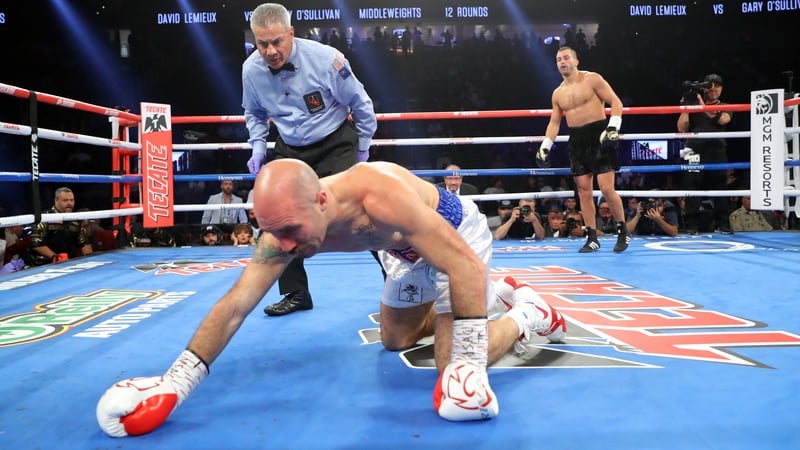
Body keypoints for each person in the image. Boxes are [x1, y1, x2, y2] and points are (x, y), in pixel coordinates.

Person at [96, 159, 567, 436]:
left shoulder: (379, 196)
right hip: (401, 251)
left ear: (321, 202)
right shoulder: (283, 227)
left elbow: (460, 262)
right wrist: (174, 384)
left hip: (456, 236)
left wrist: (465, 362)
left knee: (452, 375)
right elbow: (236, 304)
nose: (282, 245)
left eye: (290, 232)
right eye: (271, 232)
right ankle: (495, 295)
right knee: (396, 340)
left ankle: (529, 314)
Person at [242, 3, 378, 317]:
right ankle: (295, 293)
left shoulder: (325, 59)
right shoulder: (251, 70)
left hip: (335, 141)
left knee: (363, 213)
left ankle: (397, 281)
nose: (271, 50)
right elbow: (254, 112)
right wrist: (258, 147)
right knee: (279, 222)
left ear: (291, 33)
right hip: (289, 146)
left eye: (277, 41)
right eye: (263, 43)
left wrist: (362, 148)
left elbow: (361, 102)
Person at [535, 45, 630, 254]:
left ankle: (622, 231)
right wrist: (545, 146)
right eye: (559, 59)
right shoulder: (558, 93)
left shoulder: (592, 79)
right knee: (584, 192)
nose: (562, 62)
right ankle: (592, 237)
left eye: (566, 58)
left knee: (606, 189)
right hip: (577, 140)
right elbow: (554, 122)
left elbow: (616, 102)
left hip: (599, 134)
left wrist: (613, 127)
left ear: (576, 61)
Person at [676, 73, 733, 234]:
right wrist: (687, 107)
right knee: (692, 186)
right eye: (709, 86)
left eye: (717, 85)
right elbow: (682, 127)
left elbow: (722, 120)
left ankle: (723, 224)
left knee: (721, 186)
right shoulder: (694, 105)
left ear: (721, 88)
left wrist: (701, 104)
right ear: (704, 89)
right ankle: (692, 225)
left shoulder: (725, 106)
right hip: (695, 152)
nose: (713, 89)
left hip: (716, 152)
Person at [22, 187, 93, 267]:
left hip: (66, 264)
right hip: (40, 265)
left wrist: (90, 260)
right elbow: (36, 243)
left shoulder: (76, 220)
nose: (69, 203)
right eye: (65, 200)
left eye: (71, 200)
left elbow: (84, 243)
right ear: (56, 201)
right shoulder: (45, 217)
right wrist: (56, 257)